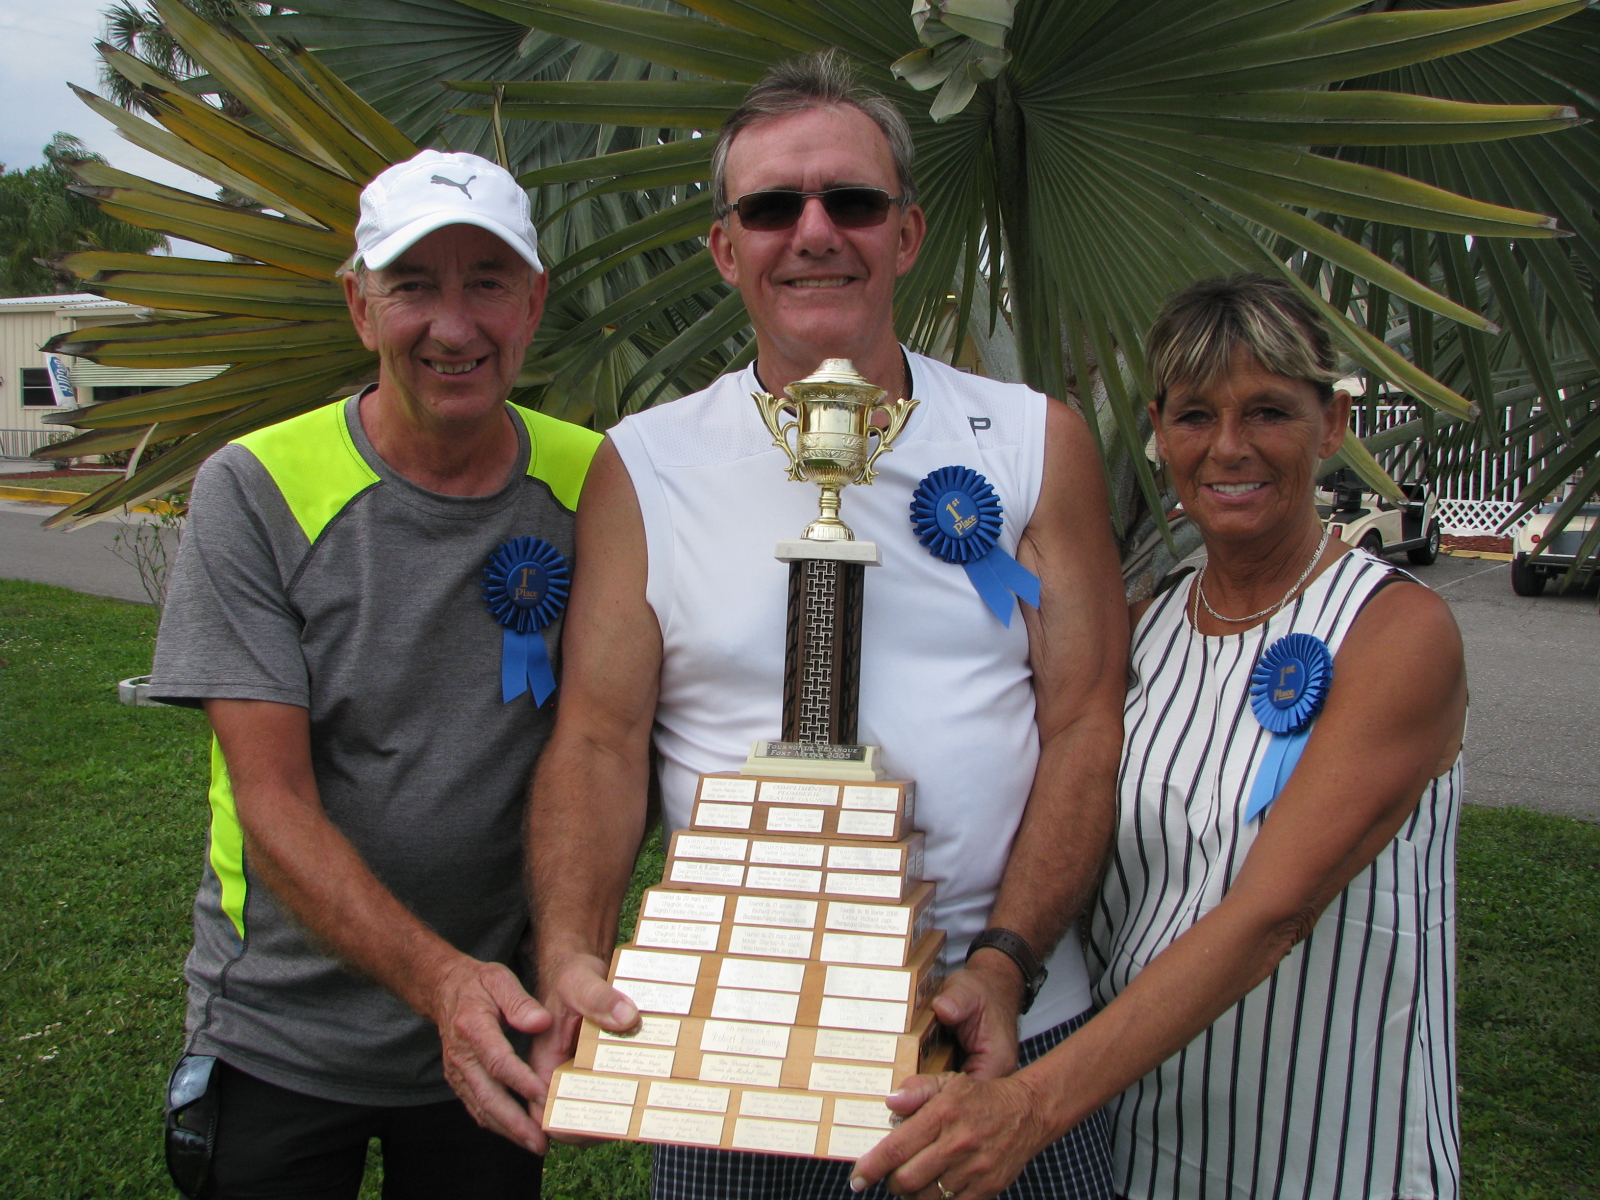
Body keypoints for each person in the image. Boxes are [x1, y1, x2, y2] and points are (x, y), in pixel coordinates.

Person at [516, 50, 1129, 1200]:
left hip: (997, 1039)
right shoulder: (644, 466)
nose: (813, 233)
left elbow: (1085, 723)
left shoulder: (1030, 441)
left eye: (851, 200)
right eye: (770, 208)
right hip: (734, 1037)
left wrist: (1005, 962)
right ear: (724, 247)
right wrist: (569, 954)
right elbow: (598, 736)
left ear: (906, 232)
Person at [852, 274, 1466, 1200]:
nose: (1229, 446)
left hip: (1329, 1147)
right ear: (1158, 429)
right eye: (1195, 415)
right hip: (1138, 1140)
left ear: (1332, 424)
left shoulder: (1395, 632)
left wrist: (1032, 1107)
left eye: (1268, 411)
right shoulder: (1147, 627)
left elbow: (1272, 913)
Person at [147, 149, 602, 1199]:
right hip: (282, 1028)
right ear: (360, 306)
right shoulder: (255, 488)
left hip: (500, 1019)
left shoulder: (593, 481)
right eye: (413, 287)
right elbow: (271, 800)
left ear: (534, 304)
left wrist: (553, 966)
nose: (454, 325)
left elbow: (607, 741)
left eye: (487, 282)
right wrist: (443, 984)